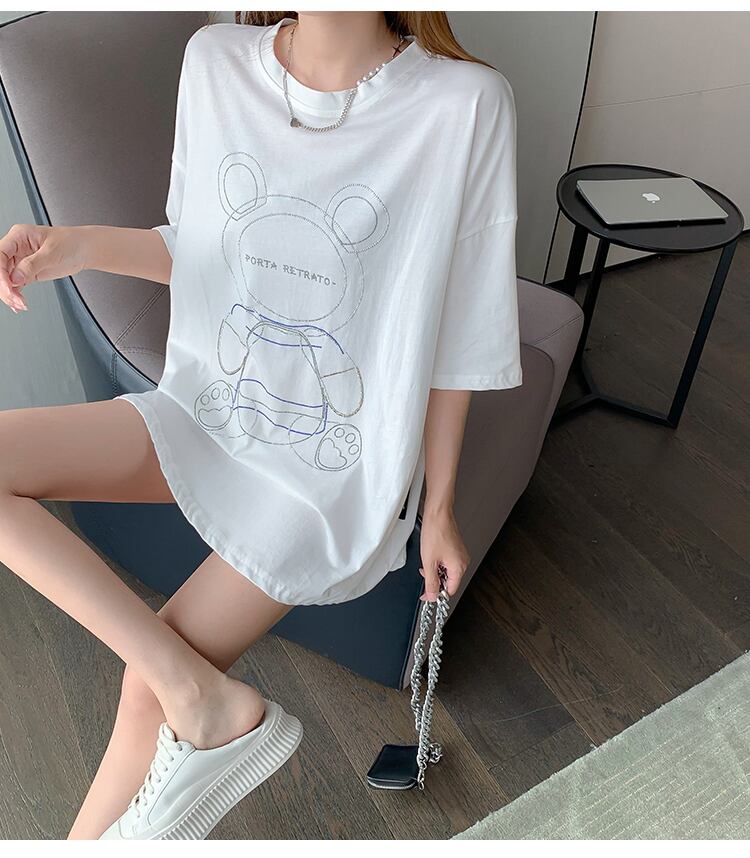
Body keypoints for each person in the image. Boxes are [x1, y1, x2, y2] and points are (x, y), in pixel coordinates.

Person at [0, 10, 522, 840]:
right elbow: (203, 246)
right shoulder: (214, 61)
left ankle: (189, 710)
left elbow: (464, 329)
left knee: (147, 689)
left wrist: (441, 505)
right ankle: (200, 698)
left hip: (329, 476)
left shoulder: (465, 105)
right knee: (166, 677)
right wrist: (73, 248)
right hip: (207, 411)